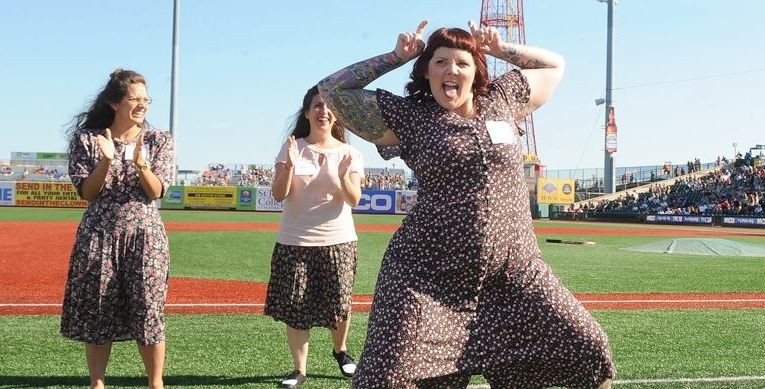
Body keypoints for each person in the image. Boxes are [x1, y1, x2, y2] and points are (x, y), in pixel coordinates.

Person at [318, 20, 615, 388]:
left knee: (589, 348)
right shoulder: (410, 116)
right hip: (426, 279)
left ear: (476, 72)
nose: (451, 70)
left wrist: (499, 48)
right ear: (426, 72)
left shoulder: (503, 100)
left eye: (462, 62)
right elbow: (332, 89)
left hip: (513, 275)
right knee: (386, 379)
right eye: (439, 62)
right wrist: (395, 57)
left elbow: (554, 65)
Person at [60, 69, 174, 389]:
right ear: (114, 102)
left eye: (146, 99)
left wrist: (142, 165)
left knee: (149, 308)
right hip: (99, 235)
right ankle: (97, 383)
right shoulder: (87, 139)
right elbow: (87, 193)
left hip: (145, 236)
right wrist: (106, 162)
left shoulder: (158, 140)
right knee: (98, 309)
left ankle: (155, 383)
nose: (142, 105)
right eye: (134, 99)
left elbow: (156, 191)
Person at [264, 85, 364, 388]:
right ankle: (299, 369)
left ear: (337, 115)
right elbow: (279, 194)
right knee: (297, 308)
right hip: (294, 241)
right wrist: (289, 166)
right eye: (317, 105)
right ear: (307, 112)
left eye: (329, 106)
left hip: (338, 240)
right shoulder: (292, 147)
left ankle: (341, 351)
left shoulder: (349, 153)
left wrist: (340, 178)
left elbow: (354, 199)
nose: (324, 111)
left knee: (339, 303)